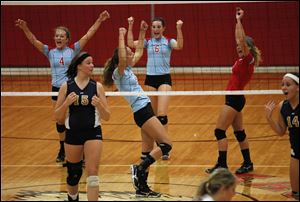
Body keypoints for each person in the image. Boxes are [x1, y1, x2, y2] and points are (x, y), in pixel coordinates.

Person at [15, 10, 110, 164]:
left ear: (67, 39)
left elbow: (88, 34)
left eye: (61, 36)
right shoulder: (50, 52)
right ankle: (62, 147)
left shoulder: (73, 50)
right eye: (56, 36)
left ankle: (81, 150)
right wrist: (25, 28)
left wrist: (99, 20)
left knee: (73, 118)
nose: (58, 38)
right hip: (56, 88)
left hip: (71, 88)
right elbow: (34, 41)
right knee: (59, 121)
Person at [103, 21, 172, 198]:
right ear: (121, 57)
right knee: (166, 145)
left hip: (143, 110)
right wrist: (121, 34)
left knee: (146, 152)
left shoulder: (127, 69)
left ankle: (142, 187)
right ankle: (139, 169)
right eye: (127, 50)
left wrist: (141, 32)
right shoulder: (118, 72)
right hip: (143, 111)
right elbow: (124, 55)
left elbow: (140, 49)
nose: (131, 52)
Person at [205, 7, 262, 174]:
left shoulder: (248, 59)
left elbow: (242, 39)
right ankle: (248, 163)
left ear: (248, 48)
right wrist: (236, 20)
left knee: (219, 131)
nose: (238, 47)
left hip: (234, 99)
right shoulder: (242, 59)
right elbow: (239, 38)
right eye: (237, 46)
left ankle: (222, 165)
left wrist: (240, 21)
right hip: (235, 97)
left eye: (241, 46)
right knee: (239, 132)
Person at [55, 51, 110, 201]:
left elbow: (107, 116)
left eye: (92, 63)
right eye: (89, 63)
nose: (92, 66)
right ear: (79, 66)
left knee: (92, 172)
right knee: (74, 174)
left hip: (93, 133)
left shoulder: (97, 87)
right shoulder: (66, 87)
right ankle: (73, 198)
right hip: (72, 134)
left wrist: (99, 105)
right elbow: (58, 117)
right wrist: (66, 103)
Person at [127, 16, 183, 160]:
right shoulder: (147, 43)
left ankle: (164, 146)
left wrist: (179, 28)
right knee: (151, 115)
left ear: (163, 28)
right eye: (154, 27)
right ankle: (155, 146)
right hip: (150, 79)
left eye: (159, 27)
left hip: (164, 79)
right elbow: (130, 44)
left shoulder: (168, 42)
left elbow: (180, 46)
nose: (156, 29)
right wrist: (131, 25)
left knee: (162, 114)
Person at [265, 73, 299, 200]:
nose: (284, 87)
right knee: (295, 194)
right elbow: (280, 131)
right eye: (282, 84)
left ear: (298, 87)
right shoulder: (282, 106)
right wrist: (269, 119)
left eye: (288, 85)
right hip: (296, 154)